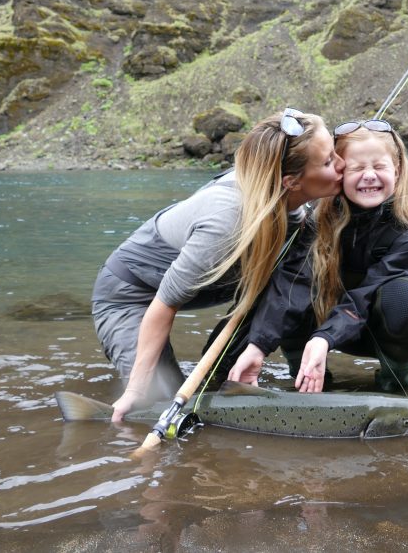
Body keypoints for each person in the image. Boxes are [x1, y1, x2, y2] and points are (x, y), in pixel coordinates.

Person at [93, 109, 344, 421]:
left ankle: (225, 376)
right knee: (157, 406)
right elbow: (164, 304)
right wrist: (134, 389)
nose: (342, 165)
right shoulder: (227, 221)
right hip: (131, 294)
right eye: (329, 161)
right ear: (291, 182)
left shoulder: (287, 202)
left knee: (209, 402)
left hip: (206, 286)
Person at [226, 118, 408, 393]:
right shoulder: (314, 219)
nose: (369, 175)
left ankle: (395, 377)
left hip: (372, 334)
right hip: (320, 329)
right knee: (280, 277)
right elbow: (292, 285)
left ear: (397, 172)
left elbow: (363, 298)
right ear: (340, 173)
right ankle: (304, 373)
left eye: (379, 167)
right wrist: (258, 346)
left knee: (406, 296)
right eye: (356, 168)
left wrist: (324, 339)